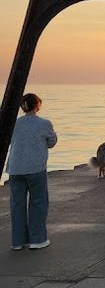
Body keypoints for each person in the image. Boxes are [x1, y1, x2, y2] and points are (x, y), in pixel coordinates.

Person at [6, 93, 57, 250]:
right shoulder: (44, 123)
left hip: (15, 168)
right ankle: (37, 239)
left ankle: (17, 241)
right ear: (37, 105)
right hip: (35, 168)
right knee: (38, 203)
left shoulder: (14, 123)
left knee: (17, 205)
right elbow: (51, 142)